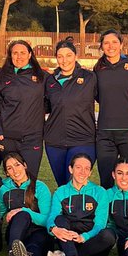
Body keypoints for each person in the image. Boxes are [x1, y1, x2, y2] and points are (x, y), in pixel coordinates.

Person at [45, 153, 115, 256]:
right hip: (69, 238)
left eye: (86, 168)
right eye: (78, 167)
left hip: (92, 240)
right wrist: (53, 229)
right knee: (59, 220)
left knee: (109, 236)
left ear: (90, 172)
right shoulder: (61, 192)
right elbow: (52, 217)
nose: (82, 172)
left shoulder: (100, 192)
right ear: (71, 169)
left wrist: (84, 237)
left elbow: (100, 224)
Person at [0, 39, 47, 180]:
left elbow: (51, 100)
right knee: (12, 178)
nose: (19, 56)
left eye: (22, 53)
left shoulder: (41, 76)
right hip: (8, 138)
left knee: (30, 179)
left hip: (32, 138)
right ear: (10, 55)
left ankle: (30, 203)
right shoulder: (2, 76)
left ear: (30, 54)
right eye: (15, 53)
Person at [93, 30, 128, 184]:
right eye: (106, 43)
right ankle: (108, 209)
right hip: (104, 133)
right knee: (106, 179)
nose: (111, 46)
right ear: (101, 46)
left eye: (115, 42)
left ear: (121, 44)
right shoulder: (98, 69)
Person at [44, 39, 97, 186]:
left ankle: (83, 209)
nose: (64, 60)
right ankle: (65, 210)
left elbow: (108, 99)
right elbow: (43, 107)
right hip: (54, 142)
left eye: (68, 55)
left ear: (75, 56)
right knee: (62, 186)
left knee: (76, 183)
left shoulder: (89, 78)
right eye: (60, 56)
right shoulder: (50, 81)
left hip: (83, 140)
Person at [0, 153, 52, 256]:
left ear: (25, 165)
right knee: (21, 216)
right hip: (16, 232)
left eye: (17, 165)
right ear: (7, 173)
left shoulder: (40, 187)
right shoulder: (4, 189)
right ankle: (13, 253)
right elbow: (0, 213)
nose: (15, 170)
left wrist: (24, 210)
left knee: (35, 244)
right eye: (10, 168)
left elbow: (47, 220)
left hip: (38, 229)